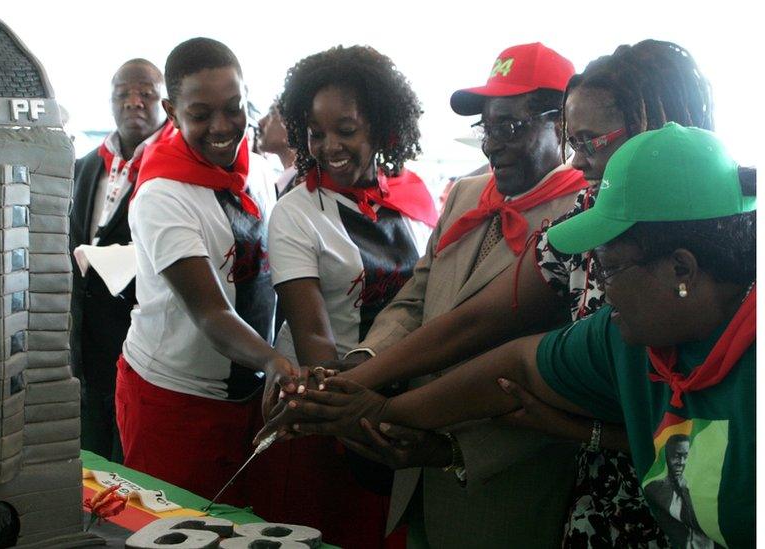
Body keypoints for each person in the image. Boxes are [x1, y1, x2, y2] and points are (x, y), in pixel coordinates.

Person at [305, 40, 713, 547]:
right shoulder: (581, 216)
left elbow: (700, 425)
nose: (580, 160)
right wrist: (361, 385)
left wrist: (399, 421)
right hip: (593, 502)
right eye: (487, 127)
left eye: (589, 141)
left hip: (648, 504)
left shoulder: (706, 244)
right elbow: (476, 321)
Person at [270, 42, 589, 548]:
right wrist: (362, 361)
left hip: (501, 481)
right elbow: (416, 298)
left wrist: (448, 446)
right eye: (487, 127)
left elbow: (559, 375)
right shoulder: (467, 193)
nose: (492, 146)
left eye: (510, 127)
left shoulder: (584, 216)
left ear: (563, 125)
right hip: (415, 474)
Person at [259, 45, 437, 548]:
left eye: (347, 129)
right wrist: (367, 422)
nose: (328, 146)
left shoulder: (413, 199)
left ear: (379, 127)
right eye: (316, 132)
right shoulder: (297, 213)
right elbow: (315, 339)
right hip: (327, 412)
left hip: (399, 406)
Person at [115, 37, 296, 505]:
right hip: (175, 401)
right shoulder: (162, 194)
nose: (222, 127)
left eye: (234, 108)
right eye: (201, 115)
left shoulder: (254, 170)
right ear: (172, 113)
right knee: (175, 527)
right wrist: (274, 361)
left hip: (248, 392)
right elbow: (211, 313)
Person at [69, 58, 173, 461]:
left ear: (165, 102)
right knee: (86, 465)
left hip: (145, 349)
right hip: (85, 349)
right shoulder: (84, 165)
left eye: (146, 94)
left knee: (131, 471)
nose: (134, 102)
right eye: (123, 94)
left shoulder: (173, 168)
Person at [257, 99, 297, 195]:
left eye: (272, 114)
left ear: (292, 125)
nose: (260, 121)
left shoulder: (303, 185)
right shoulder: (285, 184)